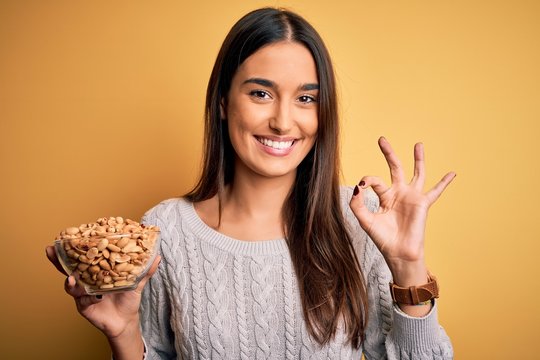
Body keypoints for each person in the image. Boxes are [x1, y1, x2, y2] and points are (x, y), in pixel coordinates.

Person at [47, 7, 455, 359]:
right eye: (261, 93)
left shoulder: (359, 220)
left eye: (306, 99)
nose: (282, 121)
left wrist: (407, 267)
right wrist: (123, 335)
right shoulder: (165, 230)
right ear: (223, 103)